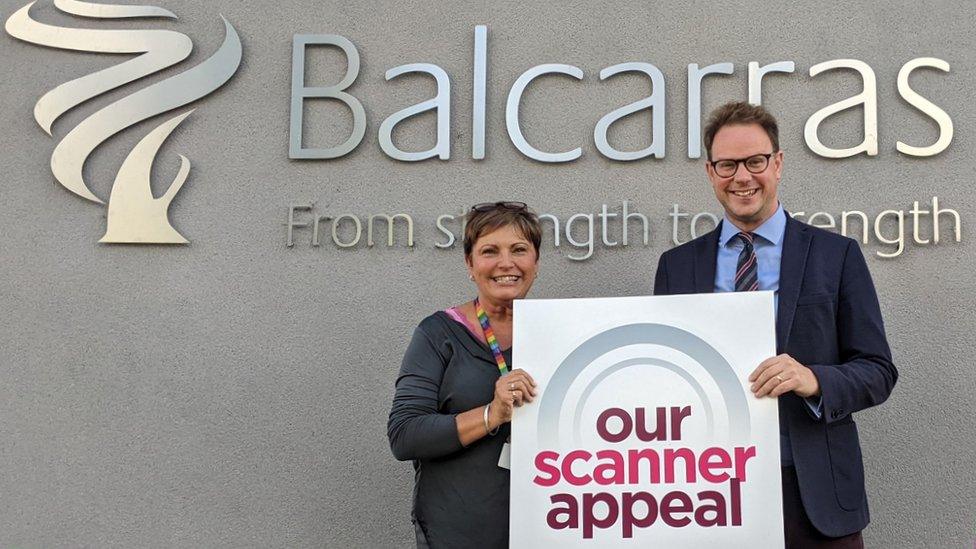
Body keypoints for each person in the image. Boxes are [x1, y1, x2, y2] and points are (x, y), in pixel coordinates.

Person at [654, 102, 897, 548]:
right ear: (711, 172)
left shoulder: (836, 255)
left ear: (778, 163)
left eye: (755, 161)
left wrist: (813, 379)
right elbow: (663, 376)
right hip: (708, 495)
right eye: (728, 164)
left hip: (813, 494)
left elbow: (878, 371)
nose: (742, 177)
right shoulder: (677, 267)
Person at [388, 202, 541, 548]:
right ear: (470, 265)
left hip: (547, 529)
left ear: (536, 262)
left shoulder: (561, 333)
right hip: (457, 531)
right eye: (490, 251)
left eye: (519, 250)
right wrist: (492, 414)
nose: (506, 263)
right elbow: (404, 434)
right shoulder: (438, 334)